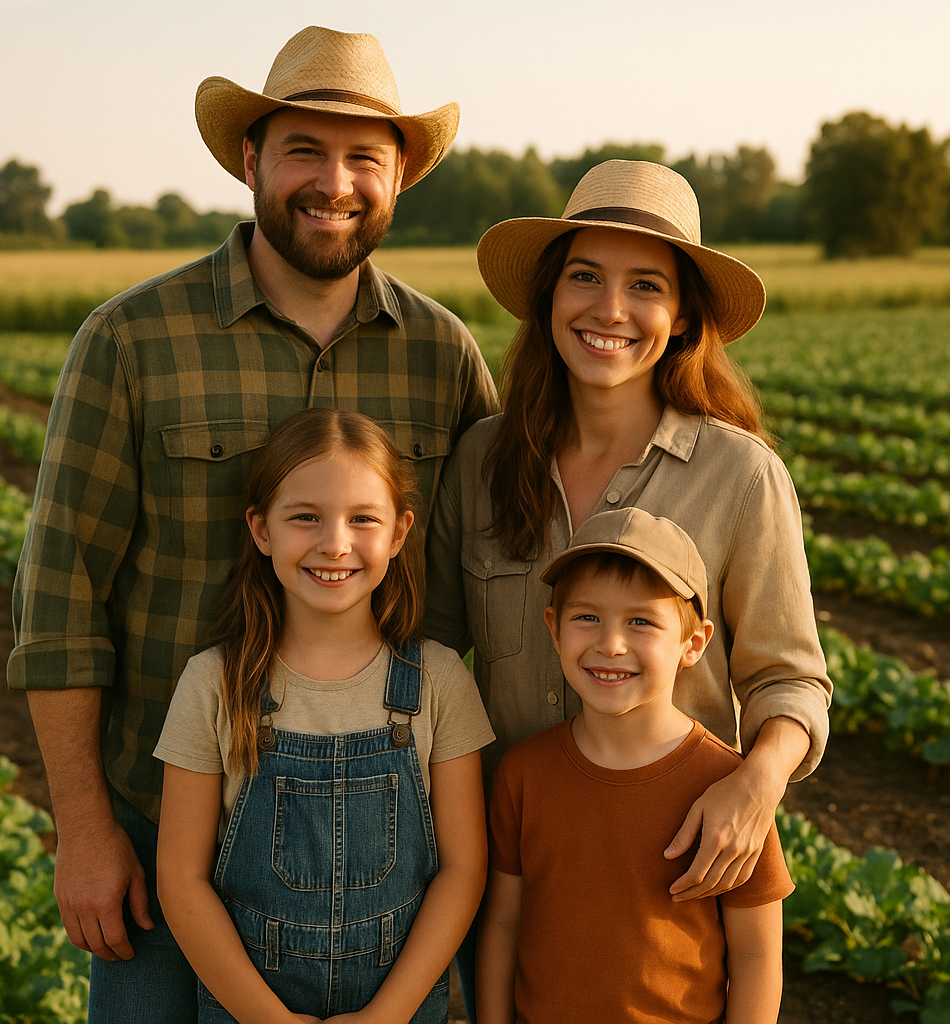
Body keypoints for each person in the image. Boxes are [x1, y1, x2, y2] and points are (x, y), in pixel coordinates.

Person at [7, 25, 496, 1023]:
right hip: (156, 826)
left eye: (366, 156)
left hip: (386, 840)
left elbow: (498, 562)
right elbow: (59, 597)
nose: (335, 182)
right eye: (303, 150)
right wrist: (86, 828)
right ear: (250, 160)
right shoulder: (133, 338)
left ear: (399, 176)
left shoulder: (440, 354)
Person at [424, 159, 830, 1014]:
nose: (610, 310)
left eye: (645, 285)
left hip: (669, 875)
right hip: (514, 870)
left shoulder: (740, 474)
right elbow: (430, 650)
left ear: (682, 318)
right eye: (585, 278)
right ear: (548, 298)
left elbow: (789, 677)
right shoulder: (481, 462)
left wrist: (755, 786)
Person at [155, 408, 492, 1023]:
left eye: (363, 519)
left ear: (398, 532)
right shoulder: (214, 683)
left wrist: (384, 1016)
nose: (334, 543)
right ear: (260, 530)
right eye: (304, 517)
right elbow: (181, 880)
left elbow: (463, 870)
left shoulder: (439, 681)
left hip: (401, 1010)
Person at [476, 507, 793, 1024]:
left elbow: (757, 957)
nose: (610, 643)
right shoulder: (524, 772)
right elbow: (504, 925)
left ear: (693, 644)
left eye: (641, 621)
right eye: (587, 617)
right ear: (554, 629)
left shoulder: (727, 787)